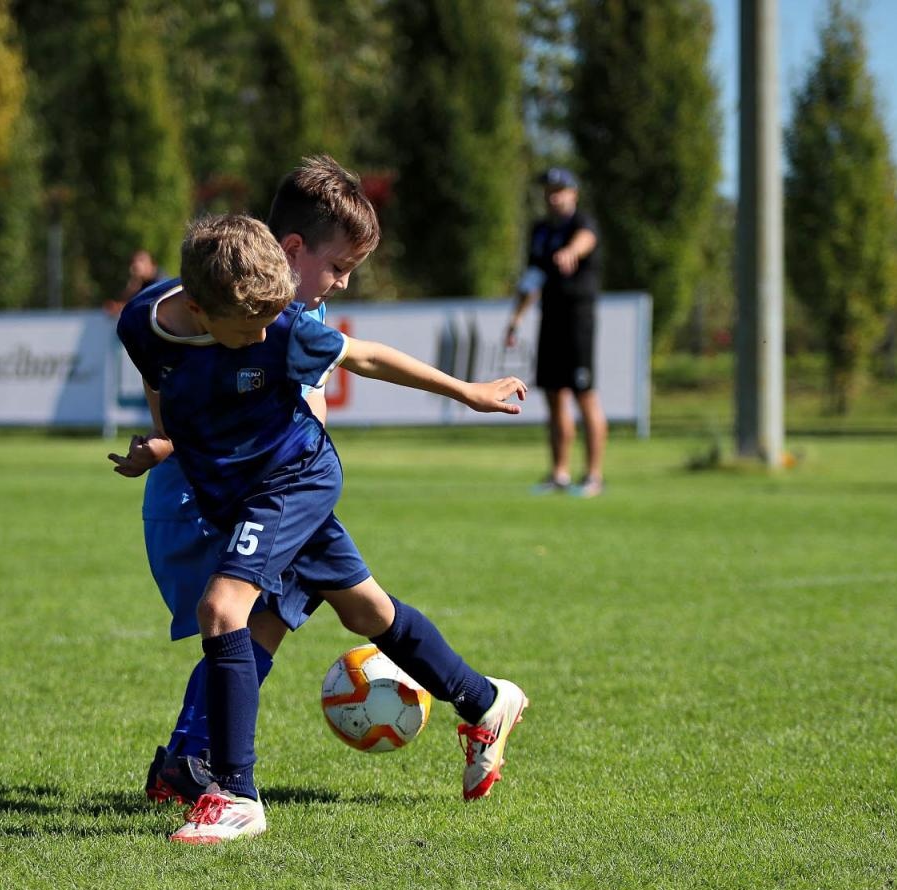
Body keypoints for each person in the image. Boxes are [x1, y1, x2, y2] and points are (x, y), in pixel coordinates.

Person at [116, 214, 530, 845]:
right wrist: (164, 442)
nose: (264, 334)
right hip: (236, 489)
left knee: (225, 609)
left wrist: (466, 392)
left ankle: (235, 795)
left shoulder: (279, 327)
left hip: (292, 480)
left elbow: (365, 356)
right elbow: (162, 374)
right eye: (249, 328)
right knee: (366, 612)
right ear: (197, 310)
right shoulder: (140, 322)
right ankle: (484, 701)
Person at [109, 156, 380, 807]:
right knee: (251, 615)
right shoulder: (260, 312)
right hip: (220, 492)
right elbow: (185, 380)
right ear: (292, 249)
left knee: (263, 614)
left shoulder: (256, 304)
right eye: (338, 266)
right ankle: (212, 773)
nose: (341, 283)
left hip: (238, 487)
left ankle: (186, 760)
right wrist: (170, 439)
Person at [505, 167, 607, 497]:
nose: (553, 196)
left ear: (573, 193)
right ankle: (559, 473)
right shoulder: (540, 230)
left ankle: (593, 476)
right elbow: (533, 276)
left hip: (578, 320)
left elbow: (585, 241)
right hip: (549, 319)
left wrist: (572, 252)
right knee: (553, 396)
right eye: (549, 190)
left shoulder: (581, 224)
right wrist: (517, 318)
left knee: (584, 395)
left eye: (560, 190)